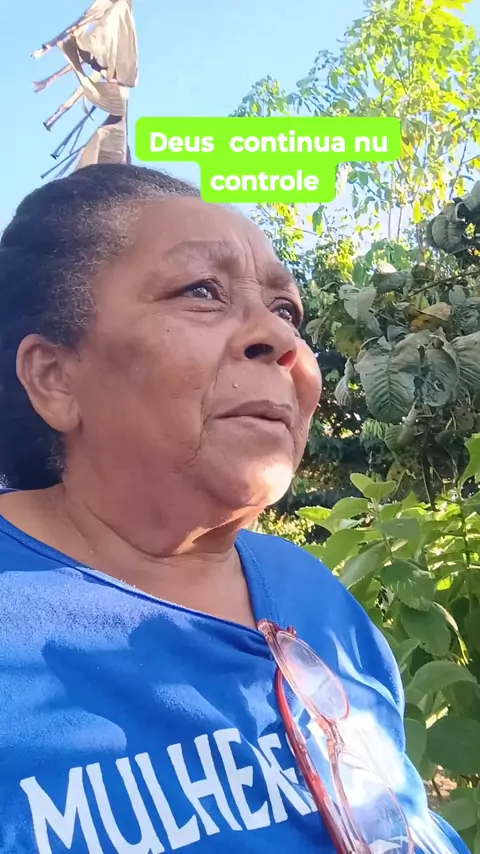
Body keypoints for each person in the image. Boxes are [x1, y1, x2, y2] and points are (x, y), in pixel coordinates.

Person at [0, 163, 468, 854]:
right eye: (201, 291)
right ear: (55, 377)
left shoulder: (312, 594)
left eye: (286, 310)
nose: (281, 340)